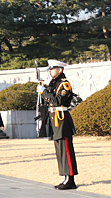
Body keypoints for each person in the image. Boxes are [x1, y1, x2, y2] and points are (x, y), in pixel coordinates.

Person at [38, 60, 79, 190]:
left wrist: (44, 92)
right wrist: (43, 89)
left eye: (52, 69)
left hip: (62, 120)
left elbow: (57, 101)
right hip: (54, 120)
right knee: (60, 151)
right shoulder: (54, 84)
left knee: (66, 150)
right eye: (49, 69)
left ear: (60, 70)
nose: (50, 71)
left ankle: (70, 179)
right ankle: (65, 177)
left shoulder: (64, 84)